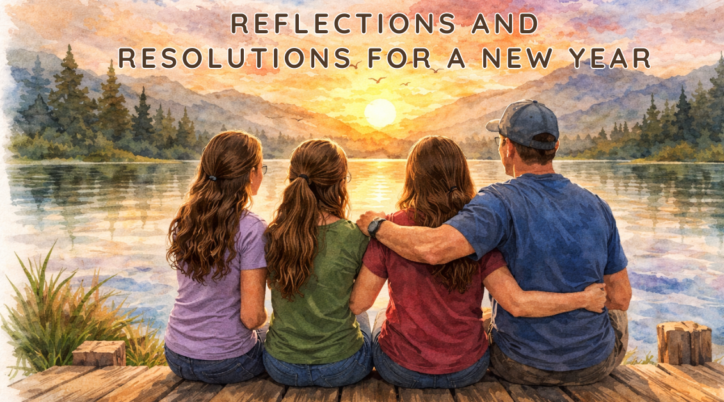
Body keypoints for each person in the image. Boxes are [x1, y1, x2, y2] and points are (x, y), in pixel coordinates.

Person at [357, 100, 632, 386]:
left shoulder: (497, 203)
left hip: (518, 364)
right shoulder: (598, 206)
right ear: (556, 146)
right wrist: (583, 300)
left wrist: (378, 226)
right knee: (616, 311)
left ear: (508, 148)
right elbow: (620, 298)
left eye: (500, 143)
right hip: (593, 365)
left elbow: (434, 248)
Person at [263, 139, 373, 387]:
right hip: (342, 367)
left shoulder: (272, 234)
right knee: (367, 318)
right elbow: (358, 304)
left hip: (281, 366)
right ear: (340, 184)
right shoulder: (355, 236)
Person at [164, 131, 269, 384]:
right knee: (273, 334)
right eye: (261, 167)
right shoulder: (252, 229)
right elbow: (252, 318)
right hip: (229, 363)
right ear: (251, 174)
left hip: (176, 354)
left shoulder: (185, 220)